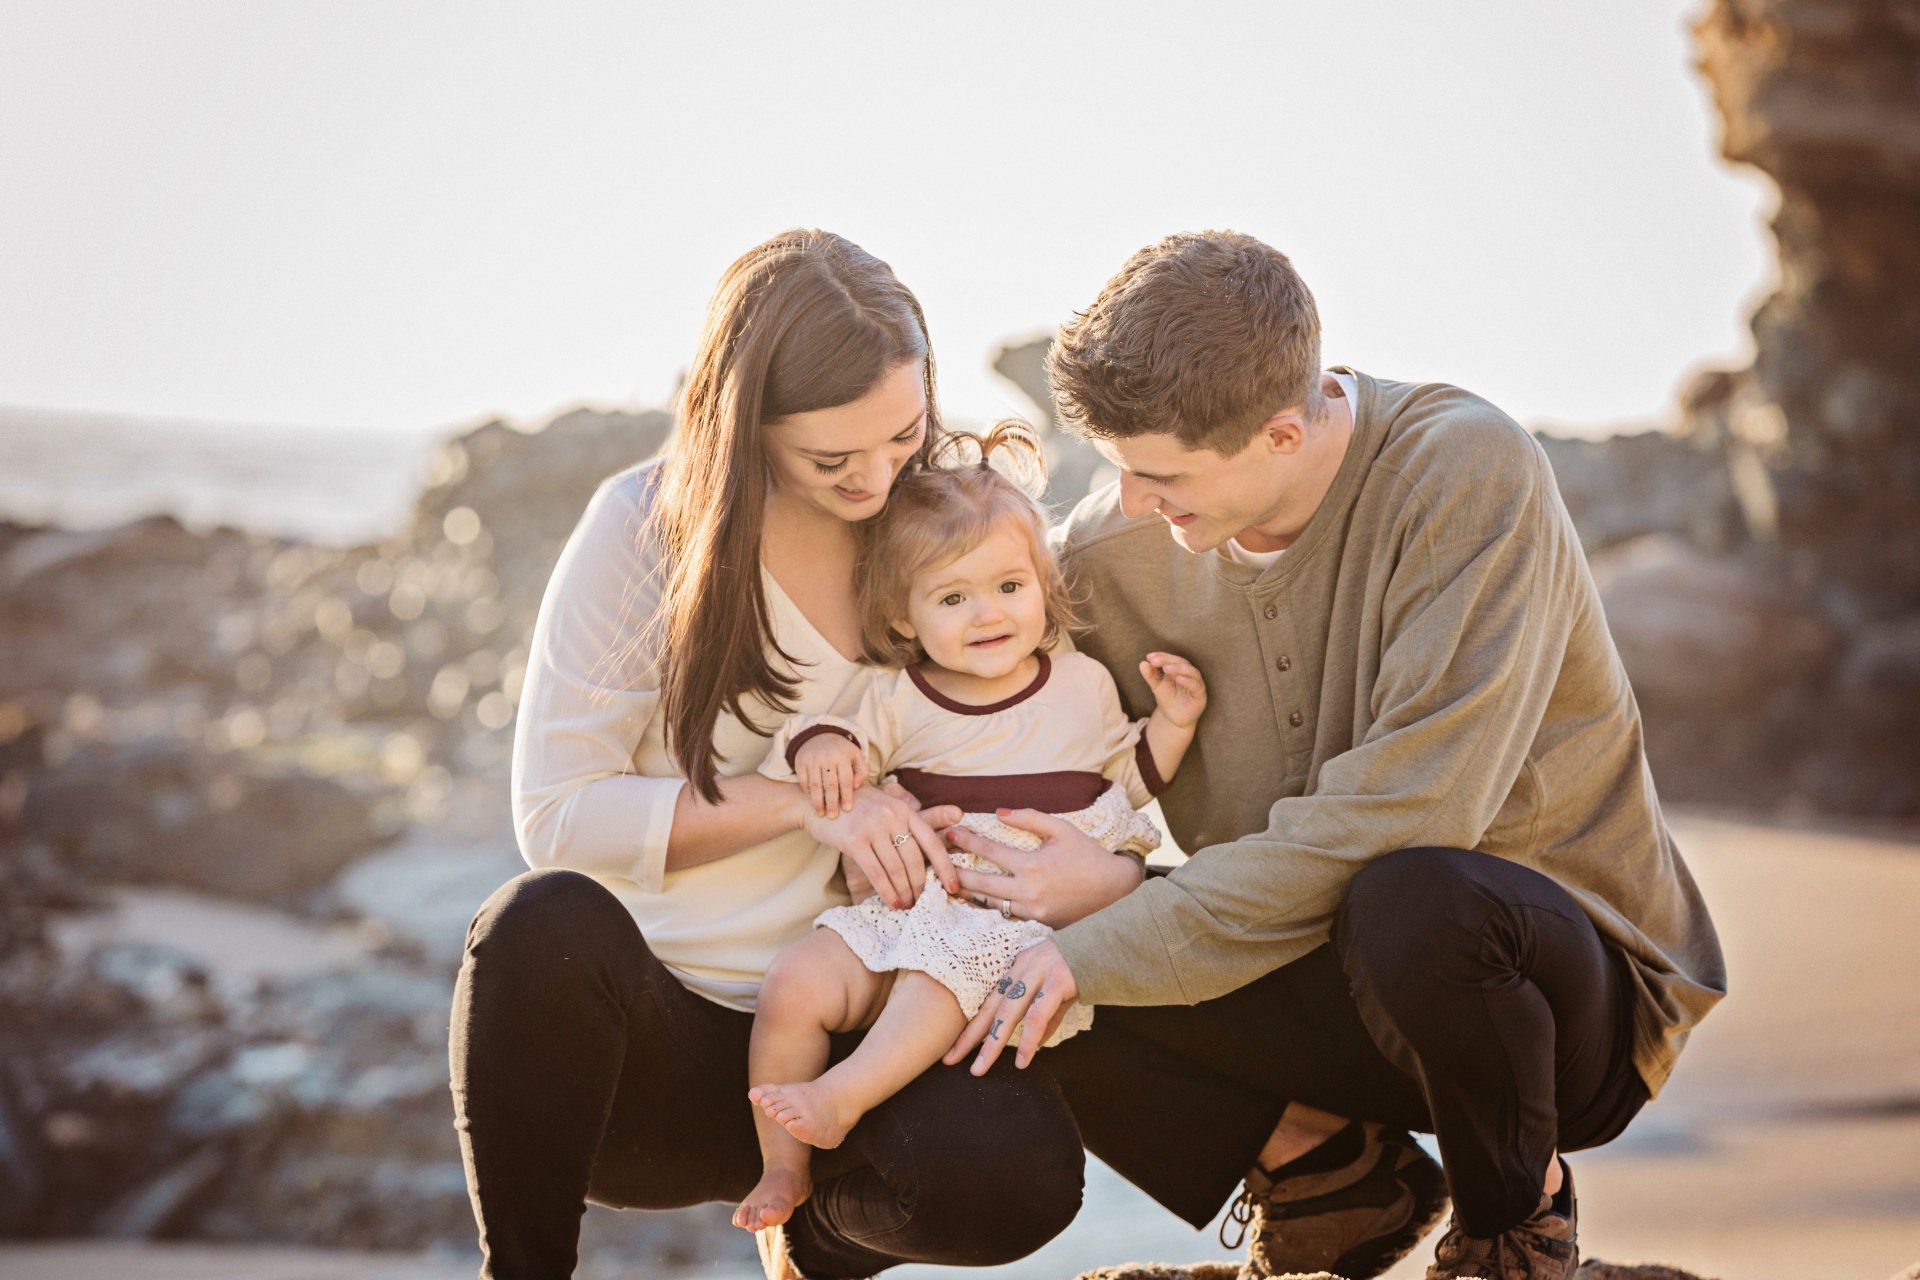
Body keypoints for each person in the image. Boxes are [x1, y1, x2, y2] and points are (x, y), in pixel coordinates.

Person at [942, 231, 1729, 1280]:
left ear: (1281, 431)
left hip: (1542, 998)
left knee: (1411, 896)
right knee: (999, 943)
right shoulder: (1110, 553)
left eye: (1161, 474)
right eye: (1118, 469)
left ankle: (1513, 1226)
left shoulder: (1463, 469)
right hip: (1308, 969)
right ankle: (1327, 1177)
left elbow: (1412, 810)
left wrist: (1104, 930)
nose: (1131, 502)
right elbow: (955, 695)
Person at [449, 230, 1125, 1280]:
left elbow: (1070, 717)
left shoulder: (947, 518)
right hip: (659, 1051)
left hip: (872, 1030)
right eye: (832, 458)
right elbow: (560, 814)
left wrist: (1096, 861)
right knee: (535, 925)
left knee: (1020, 1179)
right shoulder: (642, 529)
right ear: (745, 420)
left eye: (902, 434)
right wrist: (812, 805)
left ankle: (814, 1239)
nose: (878, 476)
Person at [733, 424, 1208, 1235]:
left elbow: (1127, 782)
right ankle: (784, 1166)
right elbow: (836, 744)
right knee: (795, 984)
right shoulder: (899, 696)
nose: (988, 614)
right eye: (953, 598)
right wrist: (819, 744)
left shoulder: (1082, 683)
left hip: (1007, 931)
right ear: (905, 614)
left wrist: (1175, 720)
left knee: (943, 968)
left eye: (1010, 587)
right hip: (907, 913)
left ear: (1042, 583)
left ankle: (840, 1102)